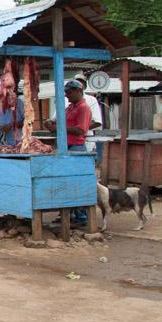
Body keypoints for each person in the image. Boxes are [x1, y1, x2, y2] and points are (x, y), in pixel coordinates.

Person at [45, 79, 92, 226]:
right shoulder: (69, 108)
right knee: (65, 183)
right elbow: (62, 124)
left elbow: (80, 130)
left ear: (78, 91)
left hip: (76, 148)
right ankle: (68, 214)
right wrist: (51, 124)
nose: (67, 95)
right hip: (66, 147)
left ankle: (81, 216)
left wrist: (58, 128)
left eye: (69, 92)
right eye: (65, 93)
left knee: (76, 183)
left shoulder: (83, 107)